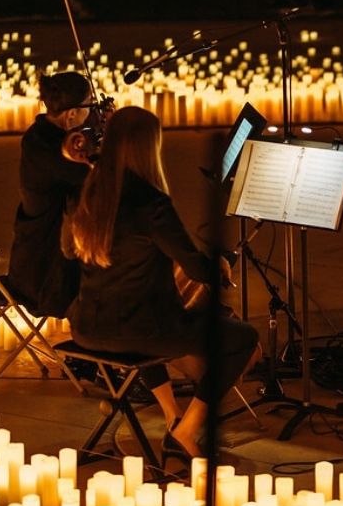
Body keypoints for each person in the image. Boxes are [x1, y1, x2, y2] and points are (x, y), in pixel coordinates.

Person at [65, 106, 259, 460]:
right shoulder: (151, 203)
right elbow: (198, 270)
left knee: (141, 312)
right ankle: (186, 431)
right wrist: (218, 265)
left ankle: (172, 414)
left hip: (87, 327)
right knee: (242, 338)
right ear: (148, 148)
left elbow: (68, 250)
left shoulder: (90, 191)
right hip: (140, 332)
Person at [7, 72, 93, 319]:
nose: (92, 112)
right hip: (45, 271)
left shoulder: (42, 134)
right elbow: (92, 178)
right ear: (72, 114)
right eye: (89, 106)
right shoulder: (52, 149)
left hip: (32, 256)